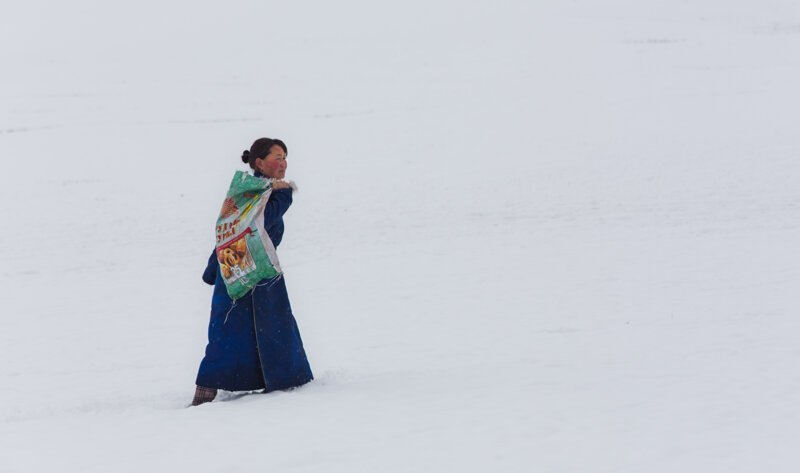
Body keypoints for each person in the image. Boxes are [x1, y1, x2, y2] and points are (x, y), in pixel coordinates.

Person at [191, 137, 313, 406]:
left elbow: (239, 227)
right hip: (243, 270)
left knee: (251, 330)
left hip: (247, 270)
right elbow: (243, 227)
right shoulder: (257, 193)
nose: (283, 163)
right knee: (239, 330)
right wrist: (281, 192)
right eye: (277, 157)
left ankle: (280, 382)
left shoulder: (254, 192)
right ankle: (208, 389)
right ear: (260, 162)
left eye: (285, 157)